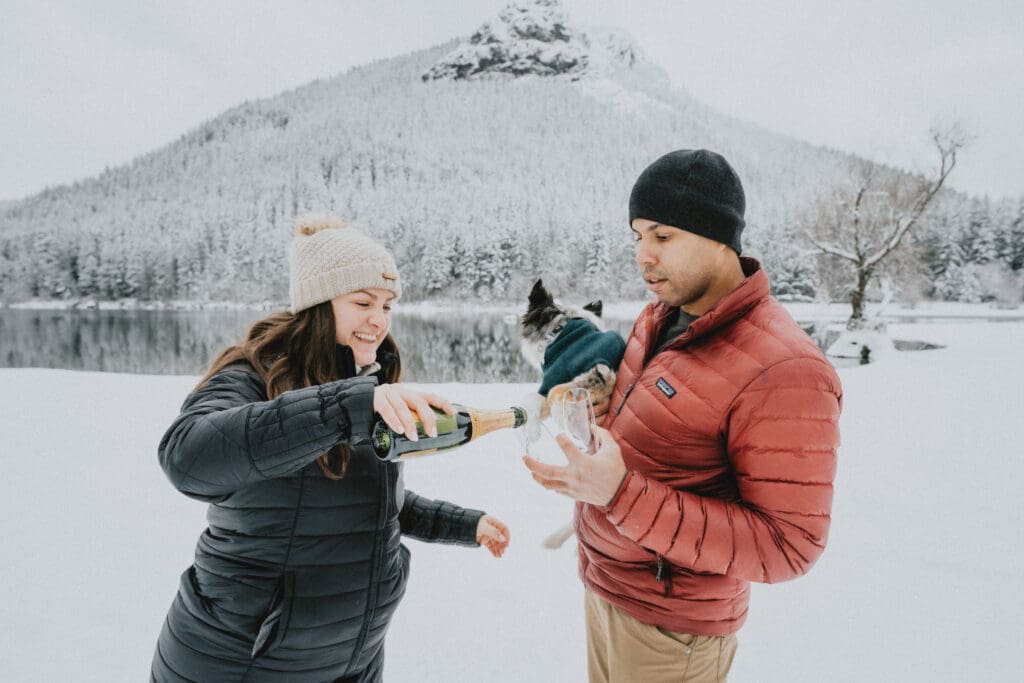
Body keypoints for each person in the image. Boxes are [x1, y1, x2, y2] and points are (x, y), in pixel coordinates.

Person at [524, 149, 842, 682]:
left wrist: (620, 494)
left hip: (673, 633)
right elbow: (663, 433)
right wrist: (604, 413)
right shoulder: (658, 320)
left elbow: (789, 546)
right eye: (637, 237)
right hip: (610, 590)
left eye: (662, 236)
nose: (642, 256)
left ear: (719, 236)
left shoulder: (786, 369)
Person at [151, 213, 510, 682]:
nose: (378, 321)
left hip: (349, 662)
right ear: (320, 305)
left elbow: (369, 502)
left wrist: (466, 524)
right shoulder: (253, 376)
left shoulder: (363, 385)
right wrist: (347, 407)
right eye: (363, 301)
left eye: (387, 305)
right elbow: (187, 458)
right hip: (243, 664)